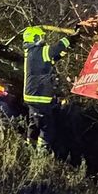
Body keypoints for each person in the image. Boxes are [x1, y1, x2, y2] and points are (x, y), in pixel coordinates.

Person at [22, 25, 78, 153]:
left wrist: (67, 48)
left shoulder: (33, 53)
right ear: (34, 38)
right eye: (40, 36)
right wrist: (71, 38)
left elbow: (54, 58)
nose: (43, 39)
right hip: (39, 97)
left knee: (35, 124)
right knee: (47, 129)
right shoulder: (38, 51)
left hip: (33, 96)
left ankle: (29, 148)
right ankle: (41, 154)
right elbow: (56, 48)